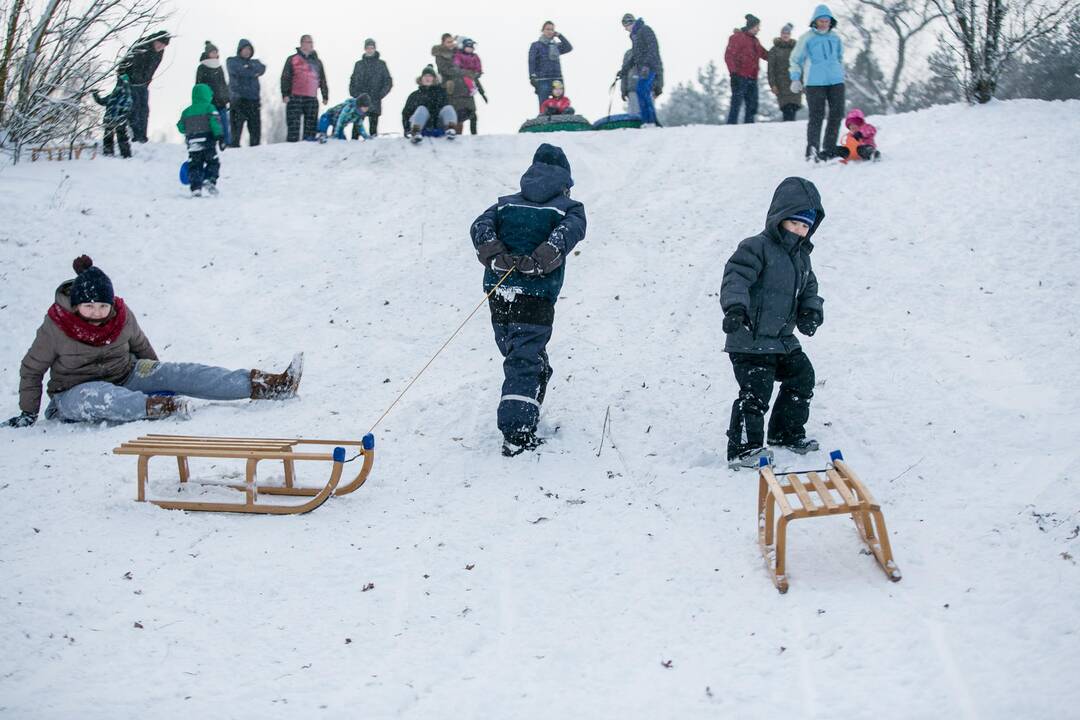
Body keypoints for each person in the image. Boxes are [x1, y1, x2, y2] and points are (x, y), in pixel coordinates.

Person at [6, 256, 303, 428]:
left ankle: (267, 385)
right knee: (98, 396)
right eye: (89, 306)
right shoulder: (56, 326)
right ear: (76, 306)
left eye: (102, 306)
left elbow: (141, 348)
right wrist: (28, 412)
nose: (96, 313)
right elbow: (31, 369)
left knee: (182, 371)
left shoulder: (121, 317)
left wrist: (159, 375)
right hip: (73, 394)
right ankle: (160, 407)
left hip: (125, 374)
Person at [469, 144, 587, 456]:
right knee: (524, 361)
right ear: (566, 181)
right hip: (535, 296)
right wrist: (538, 261)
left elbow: (479, 227)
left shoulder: (504, 205)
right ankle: (517, 434)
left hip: (499, 293)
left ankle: (526, 417)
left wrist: (496, 257)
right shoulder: (569, 208)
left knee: (524, 356)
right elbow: (566, 235)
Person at [720, 177, 825, 469]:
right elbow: (736, 278)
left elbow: (810, 290)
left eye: (805, 226)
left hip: (781, 340)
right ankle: (744, 450)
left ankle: (785, 432)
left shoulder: (802, 258)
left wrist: (810, 311)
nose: (799, 231)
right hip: (750, 338)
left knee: (802, 377)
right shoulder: (756, 247)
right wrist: (735, 309)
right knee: (757, 391)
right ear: (779, 217)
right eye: (794, 224)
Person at [789, 5, 846, 160]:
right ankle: (812, 149)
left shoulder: (835, 38)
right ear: (815, 21)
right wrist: (795, 77)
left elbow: (840, 58)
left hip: (836, 80)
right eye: (821, 21)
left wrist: (841, 72)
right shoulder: (807, 38)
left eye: (827, 21)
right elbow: (795, 59)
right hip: (814, 82)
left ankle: (829, 148)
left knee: (837, 113)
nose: (824, 23)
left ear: (830, 22)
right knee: (816, 116)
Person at [118, 30, 170, 143]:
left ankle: (142, 135)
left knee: (144, 110)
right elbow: (128, 62)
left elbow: (153, 68)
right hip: (130, 81)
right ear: (155, 40)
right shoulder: (142, 45)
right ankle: (135, 134)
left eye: (163, 46)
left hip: (143, 84)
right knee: (133, 107)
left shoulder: (160, 52)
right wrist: (123, 76)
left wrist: (147, 81)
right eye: (159, 44)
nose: (161, 47)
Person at [176, 83, 225, 197]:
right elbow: (215, 123)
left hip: (193, 144)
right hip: (207, 142)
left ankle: (196, 187)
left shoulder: (187, 111)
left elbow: (180, 127)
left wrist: (190, 129)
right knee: (213, 162)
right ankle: (209, 179)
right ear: (208, 95)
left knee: (195, 165)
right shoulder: (210, 108)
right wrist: (220, 137)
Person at [281, 35, 329, 142]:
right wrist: (285, 94)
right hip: (295, 97)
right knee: (293, 126)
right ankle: (292, 148)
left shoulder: (317, 62)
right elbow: (285, 77)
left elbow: (322, 79)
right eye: (308, 42)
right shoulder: (292, 59)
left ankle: (308, 149)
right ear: (302, 44)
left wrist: (325, 95)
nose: (311, 44)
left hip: (311, 97)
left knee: (311, 127)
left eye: (312, 42)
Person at [618, 14, 663, 126]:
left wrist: (646, 66)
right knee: (641, 91)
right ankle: (649, 121)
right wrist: (623, 70)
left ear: (629, 23)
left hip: (650, 67)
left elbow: (653, 48)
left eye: (625, 26)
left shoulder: (645, 30)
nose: (625, 29)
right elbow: (635, 57)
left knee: (641, 90)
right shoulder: (635, 36)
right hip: (643, 68)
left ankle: (650, 121)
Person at [724, 14, 769, 124]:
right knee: (736, 103)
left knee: (752, 104)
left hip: (752, 77)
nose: (759, 29)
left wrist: (779, 54)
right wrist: (733, 73)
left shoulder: (755, 41)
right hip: (739, 76)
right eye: (757, 26)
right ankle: (731, 126)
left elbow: (765, 54)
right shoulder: (737, 38)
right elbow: (729, 56)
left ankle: (749, 127)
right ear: (751, 26)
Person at [348, 39, 392, 138]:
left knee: (373, 128)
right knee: (356, 127)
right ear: (365, 49)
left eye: (372, 48)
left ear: (375, 49)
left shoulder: (381, 64)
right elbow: (353, 79)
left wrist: (380, 94)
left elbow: (388, 81)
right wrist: (354, 93)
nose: (370, 50)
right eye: (368, 48)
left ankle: (373, 147)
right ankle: (352, 147)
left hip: (374, 99)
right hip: (360, 99)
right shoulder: (359, 64)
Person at [402, 65, 457, 142]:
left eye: (430, 76)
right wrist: (406, 129)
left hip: (437, 124)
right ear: (421, 79)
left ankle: (450, 129)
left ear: (434, 79)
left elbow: (445, 109)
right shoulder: (415, 95)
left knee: (448, 108)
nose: (427, 78)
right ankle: (415, 132)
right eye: (425, 76)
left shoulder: (441, 93)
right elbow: (406, 113)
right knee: (422, 109)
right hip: (420, 124)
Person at [227, 39, 266, 147]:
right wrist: (251, 72)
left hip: (253, 100)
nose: (247, 51)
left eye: (249, 49)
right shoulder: (232, 61)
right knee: (236, 131)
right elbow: (238, 70)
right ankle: (234, 151)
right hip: (238, 100)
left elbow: (262, 68)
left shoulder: (255, 62)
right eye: (245, 49)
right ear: (240, 50)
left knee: (255, 132)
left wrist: (248, 69)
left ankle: (255, 153)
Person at [528, 21, 574, 109]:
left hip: (557, 78)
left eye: (552, 29)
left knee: (560, 105)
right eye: (547, 29)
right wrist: (532, 76)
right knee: (544, 106)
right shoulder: (536, 45)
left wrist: (559, 35)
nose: (550, 31)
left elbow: (569, 47)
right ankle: (544, 120)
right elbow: (531, 61)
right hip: (543, 79)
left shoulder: (556, 46)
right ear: (542, 30)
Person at [195, 41, 230, 146]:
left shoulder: (219, 67)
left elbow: (223, 83)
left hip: (220, 99)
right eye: (212, 52)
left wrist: (227, 97)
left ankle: (225, 141)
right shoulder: (202, 67)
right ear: (208, 53)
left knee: (223, 121)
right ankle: (210, 141)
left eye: (216, 52)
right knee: (209, 122)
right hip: (208, 101)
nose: (214, 54)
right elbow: (199, 84)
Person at [91, 72, 133, 158]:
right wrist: (123, 117)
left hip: (110, 119)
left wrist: (95, 95)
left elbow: (101, 101)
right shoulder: (126, 97)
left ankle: (109, 152)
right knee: (121, 137)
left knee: (110, 137)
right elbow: (127, 109)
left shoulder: (114, 96)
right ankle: (125, 154)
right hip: (117, 120)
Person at [768, 23, 802, 121]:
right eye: (783, 33)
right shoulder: (774, 50)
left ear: (790, 34)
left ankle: (791, 129)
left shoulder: (796, 49)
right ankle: (787, 128)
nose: (785, 35)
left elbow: (802, 65)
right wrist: (773, 84)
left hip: (795, 81)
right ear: (780, 34)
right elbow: (771, 69)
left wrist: (803, 82)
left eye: (787, 33)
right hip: (781, 84)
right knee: (786, 108)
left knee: (794, 107)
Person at [452, 38, 483, 135]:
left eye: (471, 47)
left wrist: (475, 74)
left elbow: (478, 69)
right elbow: (456, 67)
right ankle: (456, 132)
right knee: (459, 113)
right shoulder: (458, 55)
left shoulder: (475, 57)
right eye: (468, 47)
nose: (470, 49)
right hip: (461, 85)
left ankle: (474, 133)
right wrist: (466, 73)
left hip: (470, 85)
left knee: (472, 114)